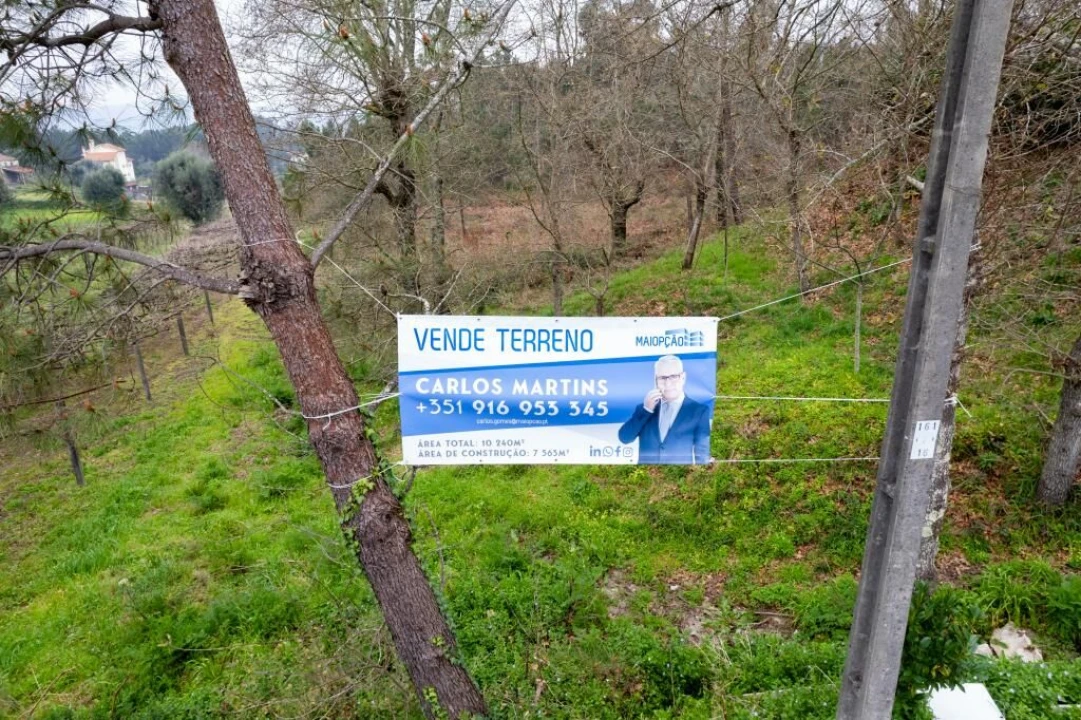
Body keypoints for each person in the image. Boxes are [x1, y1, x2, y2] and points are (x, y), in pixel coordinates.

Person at [618, 355, 712, 464]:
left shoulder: (699, 411)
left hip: (679, 478)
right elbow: (624, 438)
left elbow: (702, 454)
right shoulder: (644, 409)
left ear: (683, 377)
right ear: (656, 380)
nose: (668, 384)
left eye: (673, 377)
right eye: (662, 378)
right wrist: (646, 411)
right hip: (645, 477)